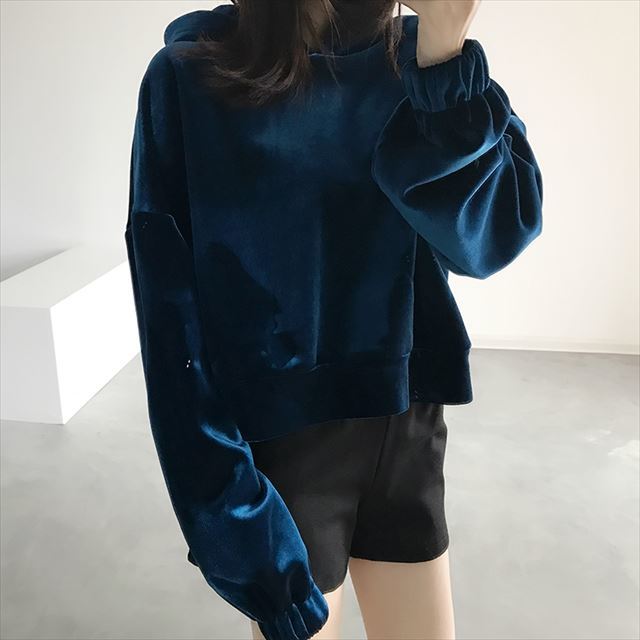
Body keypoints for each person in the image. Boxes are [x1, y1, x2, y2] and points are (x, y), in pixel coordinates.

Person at [124, 0, 543, 638]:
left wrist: (443, 59)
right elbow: (171, 330)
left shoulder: (424, 64)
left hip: (407, 424)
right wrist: (233, 521)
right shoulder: (189, 77)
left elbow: (489, 242)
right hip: (285, 448)